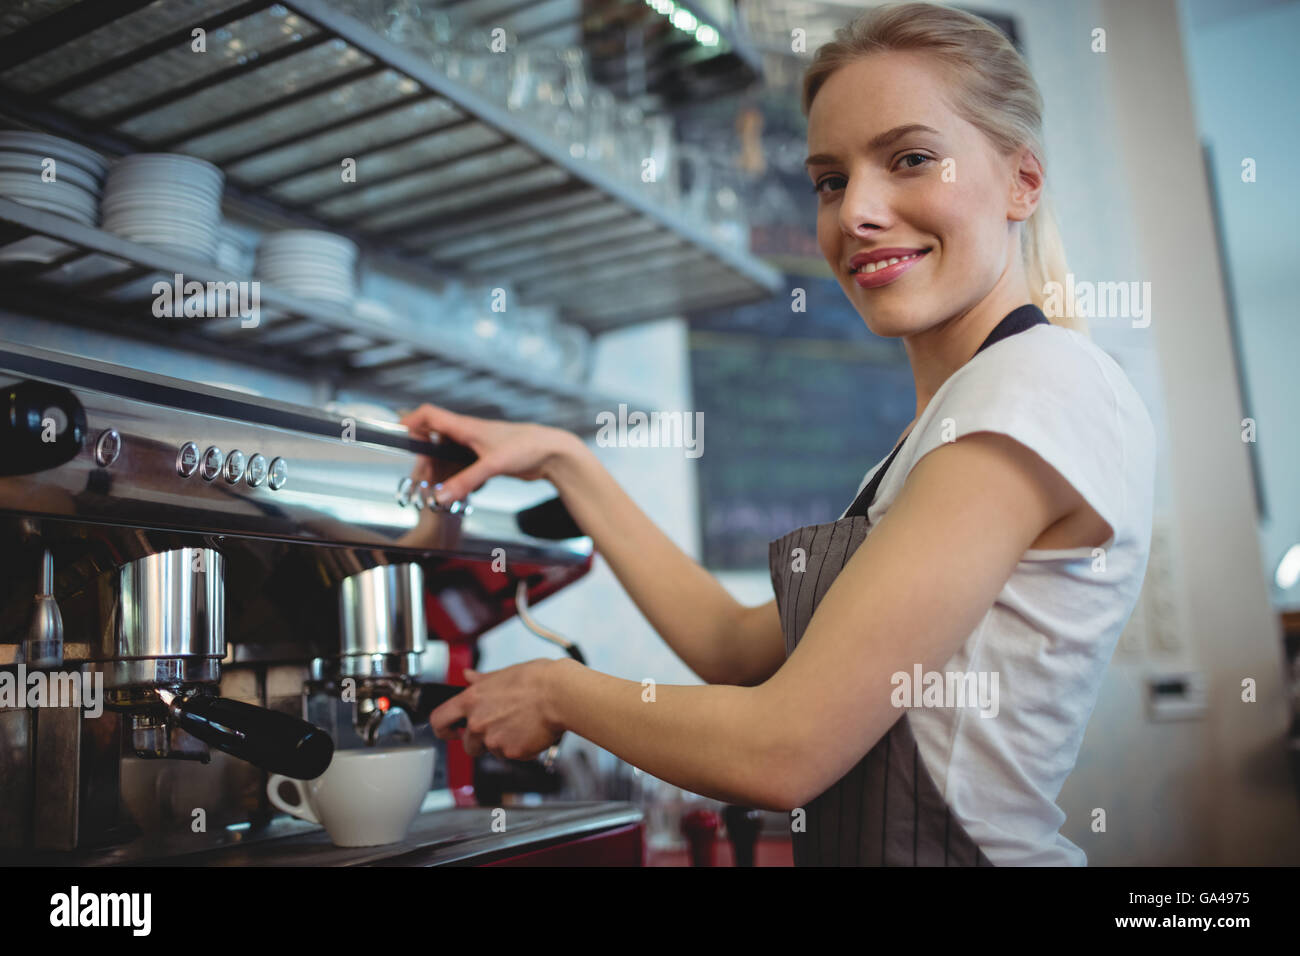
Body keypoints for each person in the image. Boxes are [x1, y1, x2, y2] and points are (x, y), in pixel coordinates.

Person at [411, 1, 1155, 866]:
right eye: (831, 180)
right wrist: (566, 461)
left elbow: (785, 748)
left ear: (1023, 181)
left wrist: (556, 689)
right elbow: (734, 649)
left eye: (910, 158)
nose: (858, 213)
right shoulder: (952, 425)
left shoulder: (1033, 388)